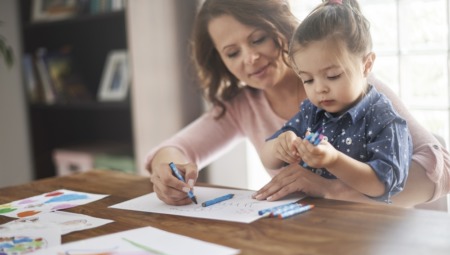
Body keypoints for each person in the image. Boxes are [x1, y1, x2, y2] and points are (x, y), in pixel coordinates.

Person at [146, 0, 450, 207]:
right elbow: (176, 150)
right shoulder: (245, 105)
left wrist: (330, 189)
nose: (250, 59)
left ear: (281, 26)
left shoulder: (356, 93)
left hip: (395, 235)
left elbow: (444, 169)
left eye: (258, 39)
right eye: (232, 52)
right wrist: (167, 172)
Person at [260, 0, 412, 204]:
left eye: (332, 76)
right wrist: (279, 146)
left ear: (366, 65)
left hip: (364, 223)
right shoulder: (313, 112)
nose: (319, 88)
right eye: (308, 79)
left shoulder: (383, 119)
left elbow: (382, 184)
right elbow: (267, 156)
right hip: (314, 217)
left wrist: (334, 160)